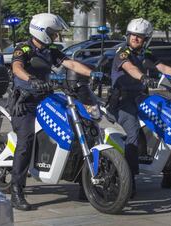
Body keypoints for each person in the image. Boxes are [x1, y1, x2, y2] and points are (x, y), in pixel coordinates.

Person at [9, 13, 103, 211]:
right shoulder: (23, 48)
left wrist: (91, 72)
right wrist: (30, 79)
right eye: (54, 33)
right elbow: (16, 67)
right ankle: (16, 190)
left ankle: (84, 186)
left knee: (81, 127)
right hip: (24, 102)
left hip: (46, 98)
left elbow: (70, 63)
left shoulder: (50, 51)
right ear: (42, 32)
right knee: (26, 140)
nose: (56, 37)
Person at [109, 18, 171, 198]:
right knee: (134, 134)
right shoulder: (123, 52)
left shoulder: (145, 52)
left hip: (140, 99)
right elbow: (130, 68)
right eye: (133, 35)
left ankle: (168, 175)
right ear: (128, 35)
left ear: (146, 39)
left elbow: (163, 67)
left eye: (140, 36)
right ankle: (128, 183)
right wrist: (143, 78)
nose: (136, 39)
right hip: (122, 102)